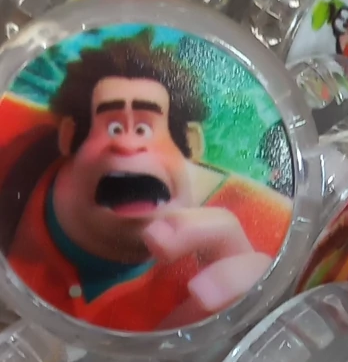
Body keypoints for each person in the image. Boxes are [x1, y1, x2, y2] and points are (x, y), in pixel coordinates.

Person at [0, 30, 293, 332]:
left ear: (191, 143)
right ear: (69, 136)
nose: (128, 145)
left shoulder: (266, 232)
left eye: (144, 128)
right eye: (113, 127)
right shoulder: (8, 134)